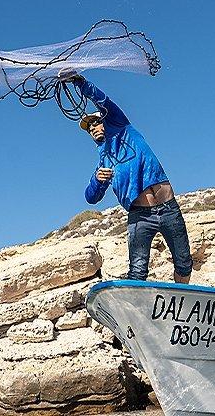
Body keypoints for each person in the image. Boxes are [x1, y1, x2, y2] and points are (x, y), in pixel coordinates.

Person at [68, 74, 192, 283]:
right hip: (139, 215)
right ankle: (135, 302)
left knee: (184, 262)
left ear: (106, 121)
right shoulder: (104, 162)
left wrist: (81, 83)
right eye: (89, 128)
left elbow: (103, 101)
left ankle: (181, 297)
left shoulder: (122, 127)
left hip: (168, 207)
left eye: (96, 123)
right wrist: (98, 180)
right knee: (137, 270)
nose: (93, 129)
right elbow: (91, 197)